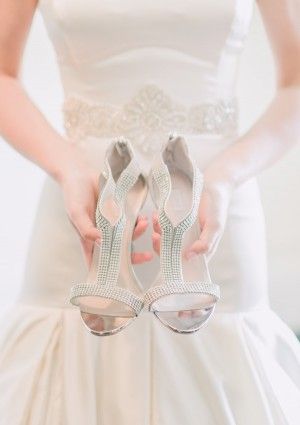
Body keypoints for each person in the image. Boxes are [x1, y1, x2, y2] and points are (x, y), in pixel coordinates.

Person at [0, 0, 300, 423]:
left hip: (212, 211)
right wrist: (67, 168)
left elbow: (296, 84)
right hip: (88, 203)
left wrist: (226, 178)